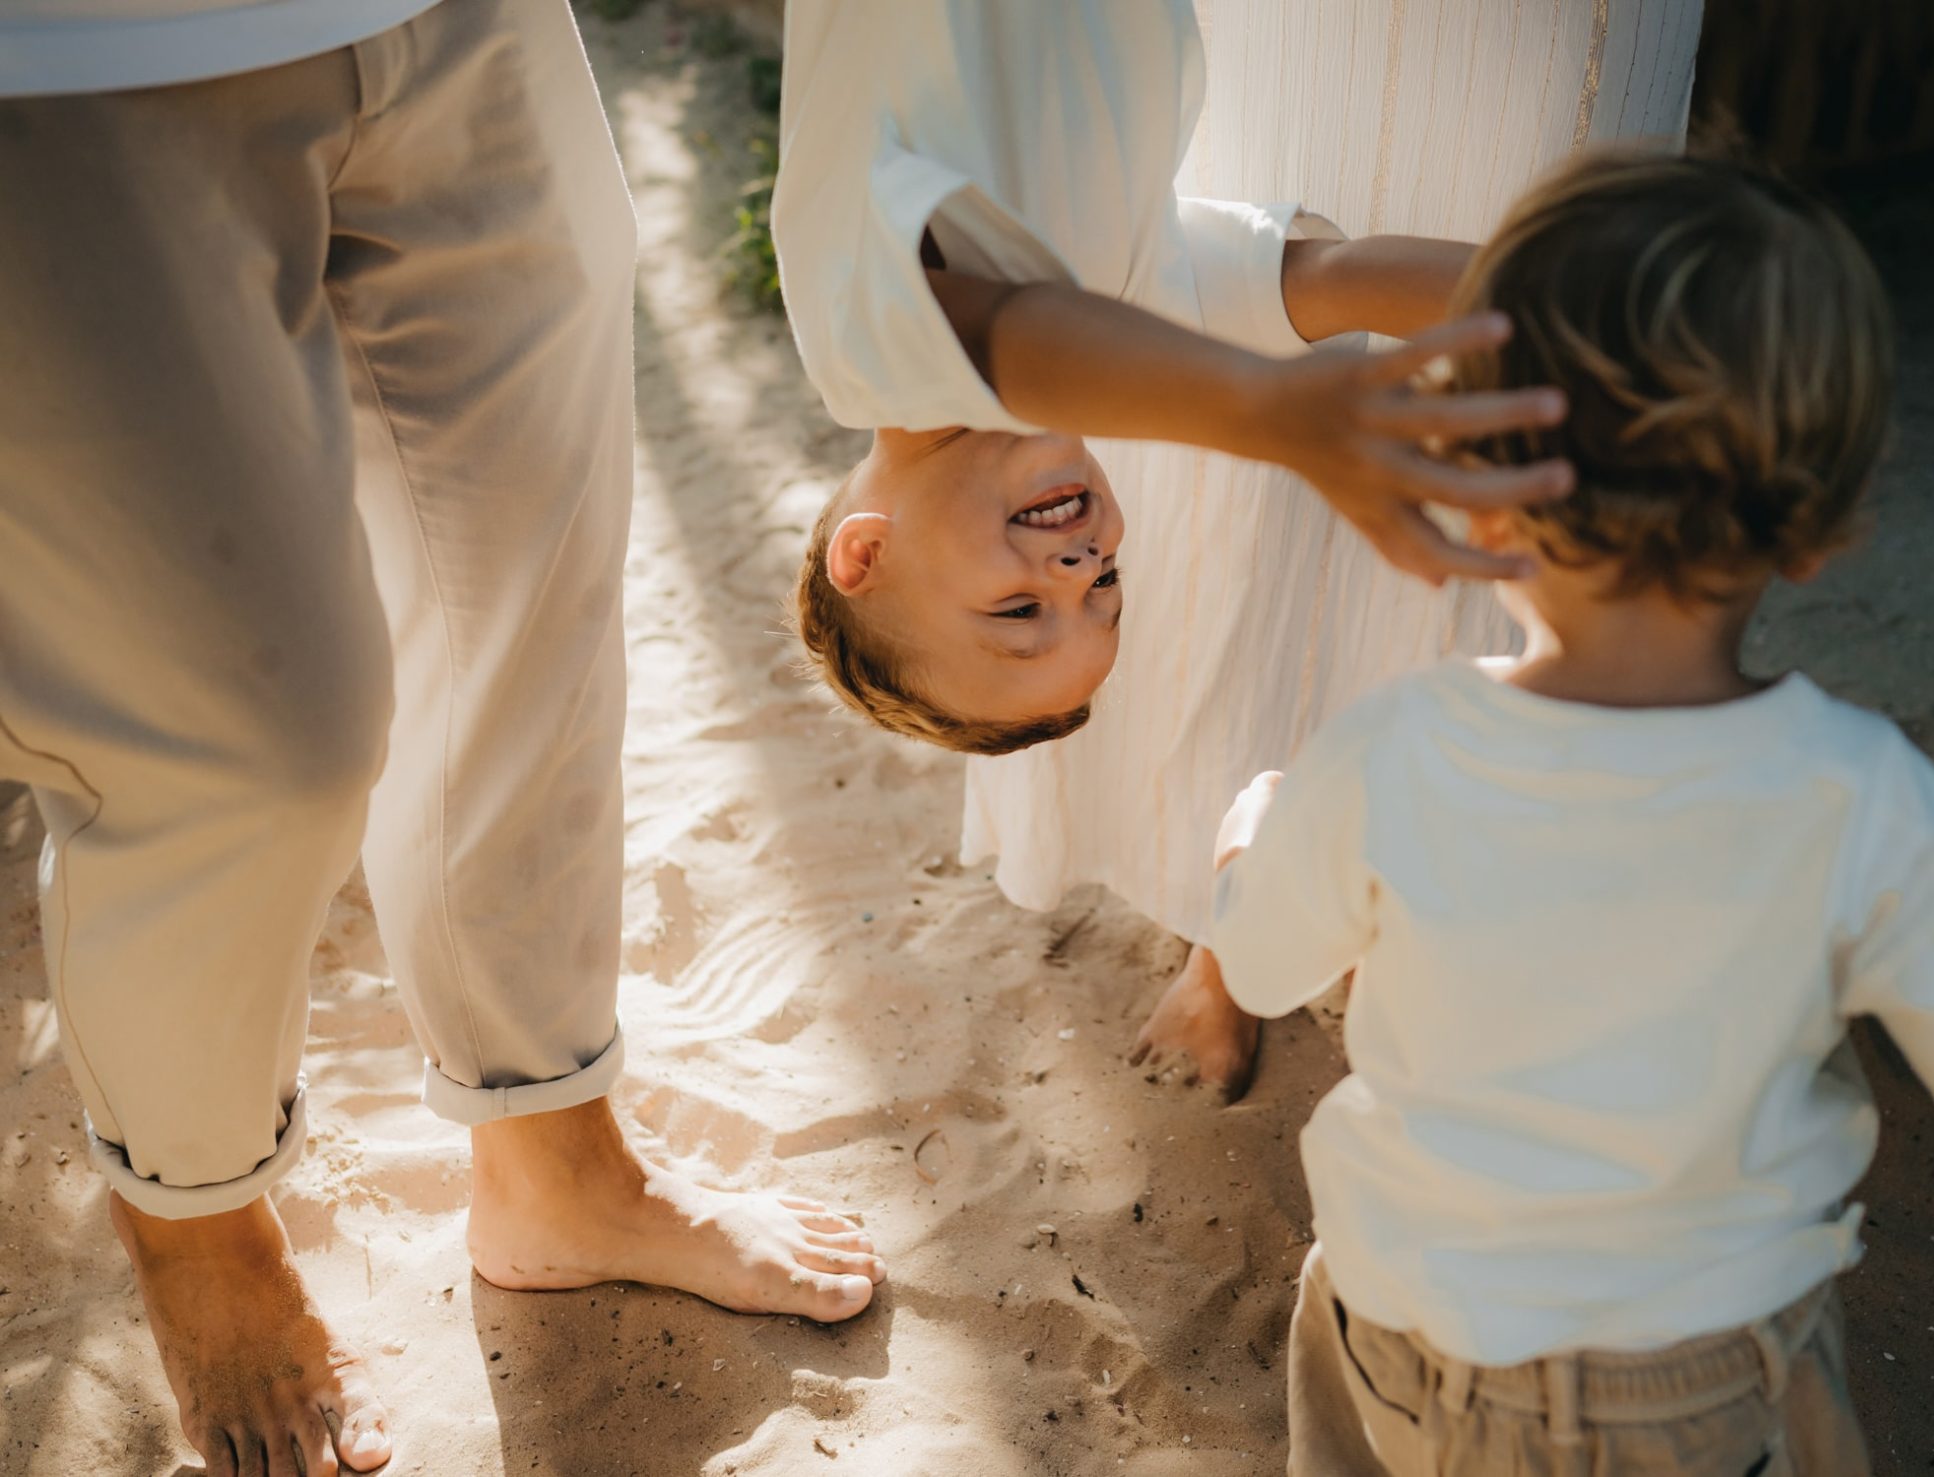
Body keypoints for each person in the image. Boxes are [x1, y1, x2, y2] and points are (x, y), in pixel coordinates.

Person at [1208, 151, 1934, 1475]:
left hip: (1393, 1328)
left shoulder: (1390, 751)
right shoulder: (1864, 800)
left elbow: (1266, 961)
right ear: (1819, 531)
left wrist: (1249, 827)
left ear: (1476, 475)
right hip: (1686, 1393)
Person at [0, 4, 882, 1474]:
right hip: (65, 64)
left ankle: (555, 1159)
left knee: (520, 589)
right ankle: (196, 1219)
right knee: (242, 745)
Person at [960, 0, 1708, 1099]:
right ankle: (1359, 956)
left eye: (1033, 610)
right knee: (1274, 319)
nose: (1079, 574)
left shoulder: (923, 307)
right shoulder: (1861, 796)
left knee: (1547, 246)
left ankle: (1357, 944)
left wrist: (1250, 844)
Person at [773, 0, 1574, 756]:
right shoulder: (1135, 320)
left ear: (867, 554)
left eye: (1020, 611)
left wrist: (1276, 416)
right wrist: (1577, 324)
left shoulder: (859, 351)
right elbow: (1338, 280)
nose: (1081, 569)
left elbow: (1003, 335)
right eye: (1106, 585)